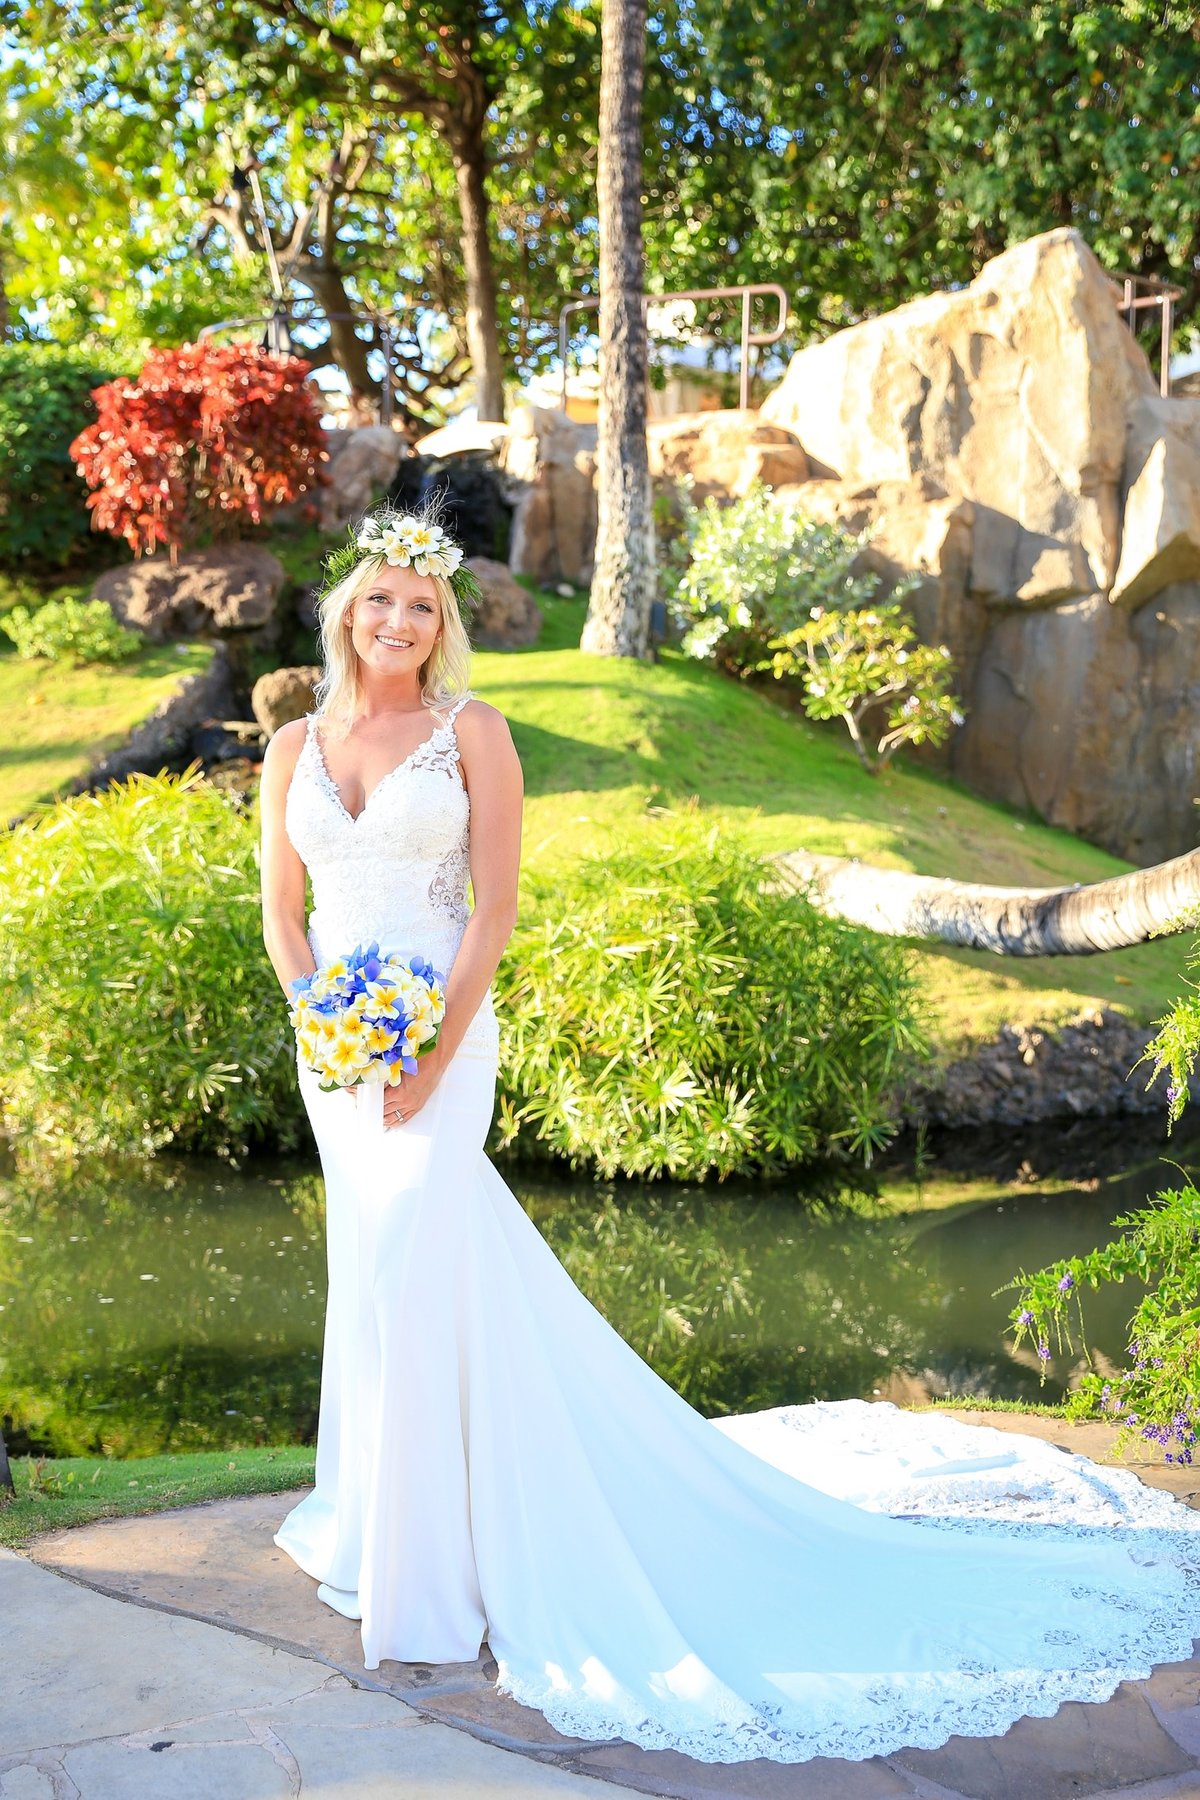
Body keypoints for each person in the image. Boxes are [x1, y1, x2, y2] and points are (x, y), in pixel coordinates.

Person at [257, 500, 1200, 1766]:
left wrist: (426, 1051)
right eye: (380, 599)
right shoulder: (291, 746)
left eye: (421, 605)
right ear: (347, 610)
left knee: (420, 1252)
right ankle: (378, 1517)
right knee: (376, 1276)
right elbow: (284, 908)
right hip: (335, 1052)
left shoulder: (471, 733)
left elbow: (492, 911)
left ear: (443, 626)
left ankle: (438, 1574)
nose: (398, 620)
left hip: (441, 1029)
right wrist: (320, 1019)